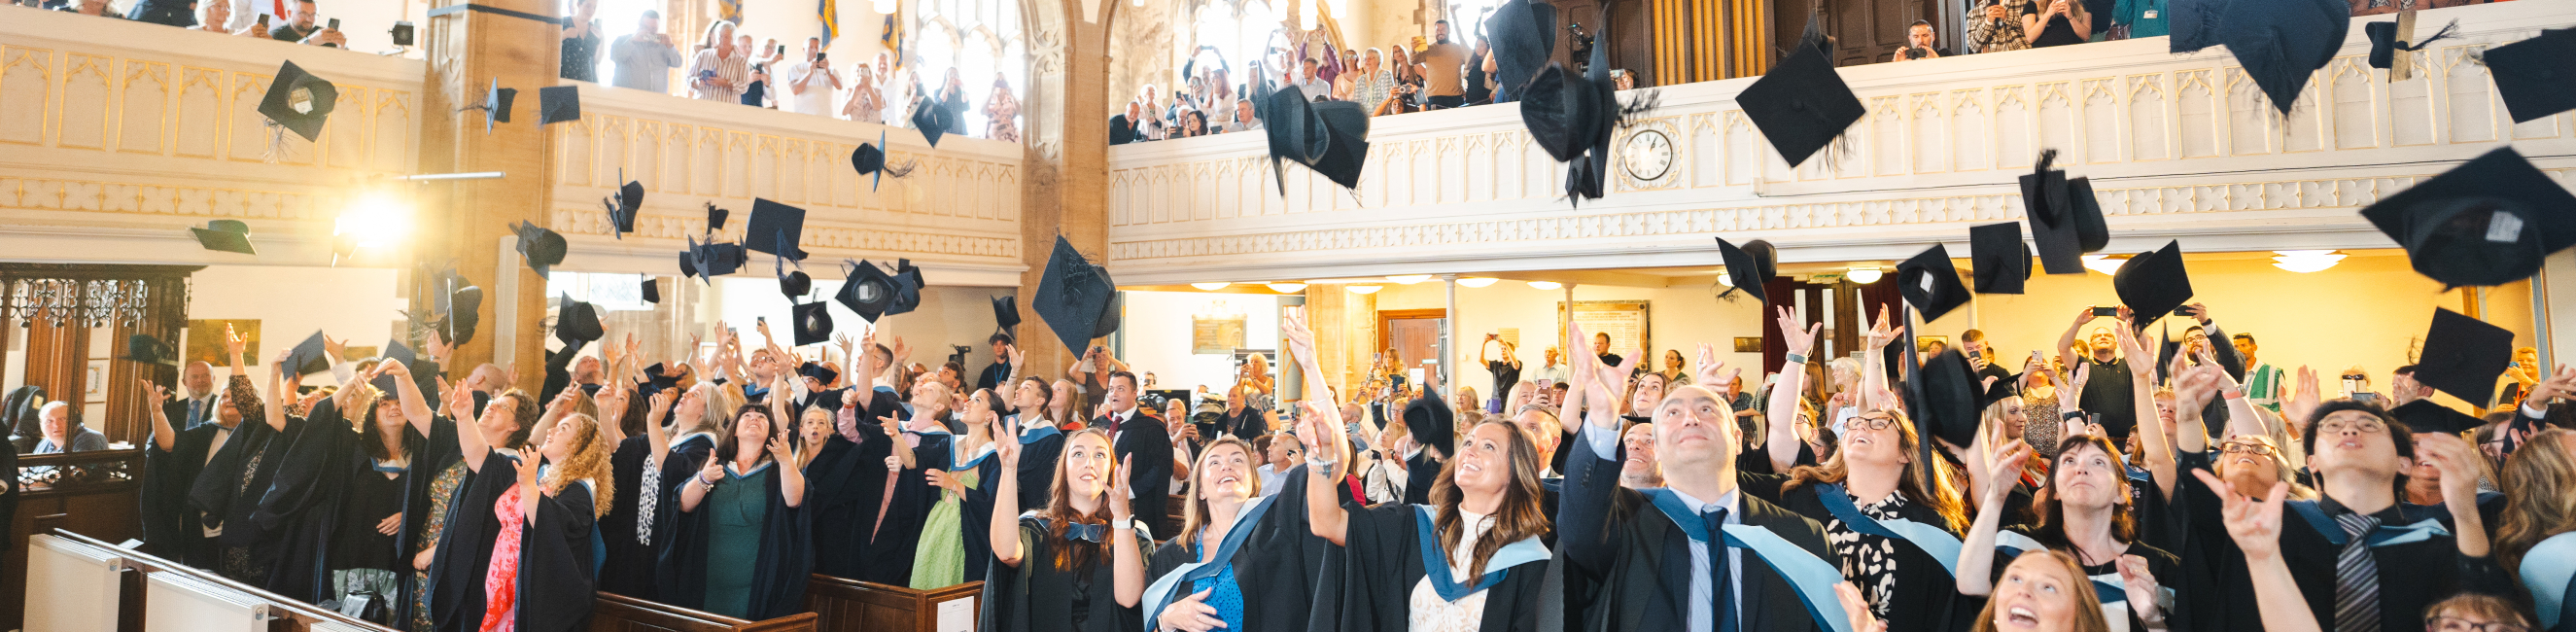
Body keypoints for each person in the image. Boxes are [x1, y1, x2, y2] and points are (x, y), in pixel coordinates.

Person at [1557, 315, 1844, 632]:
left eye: (1707, 410)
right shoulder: (1622, 523)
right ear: (1657, 447)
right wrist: (1601, 417)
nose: (1690, 419)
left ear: (1737, 439)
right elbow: (1579, 529)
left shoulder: (1802, 539)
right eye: (1673, 413)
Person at [1748, 307, 1976, 631]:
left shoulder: (1929, 528)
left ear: (1906, 453)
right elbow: (1780, 427)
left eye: (1878, 424)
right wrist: (1797, 356)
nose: (1861, 426)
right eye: (1854, 423)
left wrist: (1874, 354)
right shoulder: (1805, 496)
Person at [1142, 430, 1328, 632]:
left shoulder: (1281, 533)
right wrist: (1166, 621)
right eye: (1214, 462)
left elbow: (1324, 517)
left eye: (1237, 460)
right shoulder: (1171, 554)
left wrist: (1322, 453)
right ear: (1201, 490)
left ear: (1253, 482)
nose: (1226, 466)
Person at [981, 427, 1149, 632]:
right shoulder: (1038, 529)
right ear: (1064, 468)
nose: (1089, 463)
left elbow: (1129, 599)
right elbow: (1006, 553)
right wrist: (1008, 469)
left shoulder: (1130, 534)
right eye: (1078, 454)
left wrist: (1122, 518)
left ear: (1111, 469)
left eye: (1099, 455)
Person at [658, 400, 812, 620]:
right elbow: (682, 505)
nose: (754, 418)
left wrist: (787, 461)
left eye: (762, 417)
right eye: (746, 416)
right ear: (735, 430)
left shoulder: (778, 470)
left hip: (757, 581)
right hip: (708, 576)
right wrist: (703, 479)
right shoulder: (715, 466)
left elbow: (795, 501)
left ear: (770, 431)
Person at [913, 388, 1005, 588]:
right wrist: (895, 435)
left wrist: (952, 484)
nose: (967, 403)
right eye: (969, 398)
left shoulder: (995, 457)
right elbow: (915, 460)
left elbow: (991, 505)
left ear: (990, 415)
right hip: (937, 522)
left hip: (963, 532)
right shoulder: (953, 443)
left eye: (977, 400)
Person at [1097, 370, 1176, 537]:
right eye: (1111, 389)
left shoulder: (1152, 428)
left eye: (1120, 389)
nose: (1114, 394)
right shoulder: (1099, 425)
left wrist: (1128, 492)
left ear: (1134, 394)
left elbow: (1161, 468)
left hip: (1137, 507)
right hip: (1098, 506)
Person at [2059, 307, 2140, 442]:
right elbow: (2063, 347)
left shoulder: (2129, 364)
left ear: (2116, 344)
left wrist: (2132, 323)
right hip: (2092, 441)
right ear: (2090, 345)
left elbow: (2144, 349)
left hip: (2129, 442)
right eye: (2097, 336)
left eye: (2108, 335)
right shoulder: (2083, 366)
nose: (2102, 337)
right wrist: (2078, 323)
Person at [1010, 376, 1069, 509]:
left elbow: (1039, 481)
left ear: (1039, 400)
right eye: (1020, 387)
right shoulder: (1006, 425)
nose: (1017, 391)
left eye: (1026, 388)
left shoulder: (1051, 438)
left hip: (1025, 508)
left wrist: (1002, 476)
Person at [609, 10, 684, 94]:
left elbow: (677, 63)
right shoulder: (622, 40)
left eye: (653, 29)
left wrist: (670, 45)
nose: (648, 31)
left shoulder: (663, 45)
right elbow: (615, 57)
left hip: (657, 99)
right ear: (639, 24)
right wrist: (632, 41)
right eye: (645, 27)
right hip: (628, 97)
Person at [684, 20, 748, 103]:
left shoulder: (741, 61)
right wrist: (697, 82)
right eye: (720, 36)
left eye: (726, 37)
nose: (723, 40)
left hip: (727, 107)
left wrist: (726, 83)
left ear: (734, 39)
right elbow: (689, 78)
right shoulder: (703, 55)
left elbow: (744, 87)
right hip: (703, 105)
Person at [783, 37, 840, 117]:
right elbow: (796, 90)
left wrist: (828, 71)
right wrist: (809, 73)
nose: (814, 50)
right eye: (811, 47)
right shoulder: (795, 68)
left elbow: (839, 86)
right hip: (804, 115)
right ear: (804, 49)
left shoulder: (830, 70)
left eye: (817, 47)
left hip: (826, 116)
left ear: (821, 50)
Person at [1418, 20, 1468, 109]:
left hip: (1456, 96)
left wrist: (1469, 89)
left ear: (1449, 30)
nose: (1440, 32)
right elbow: (1412, 61)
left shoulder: (1458, 48)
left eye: (1443, 29)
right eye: (1437, 30)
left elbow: (1471, 63)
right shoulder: (1428, 49)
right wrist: (1413, 49)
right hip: (1435, 97)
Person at [31, 402, 107, 453]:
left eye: (63, 419)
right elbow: (31, 468)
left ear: (75, 420)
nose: (56, 425)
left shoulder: (90, 438)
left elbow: (75, 470)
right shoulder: (45, 442)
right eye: (49, 421)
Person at [1967, 0, 2034, 53]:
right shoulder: (1974, 12)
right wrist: (1988, 22)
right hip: (1995, 60)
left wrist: (2007, 17)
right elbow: (1974, 47)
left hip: (2024, 54)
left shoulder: (2025, 2)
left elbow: (2033, 32)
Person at [559, 0, 602, 82]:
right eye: (588, 6)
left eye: (594, 7)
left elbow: (597, 60)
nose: (591, 10)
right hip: (563, 77)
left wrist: (602, 40)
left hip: (586, 80)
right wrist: (564, 34)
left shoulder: (594, 31)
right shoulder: (564, 22)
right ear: (578, 4)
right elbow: (549, 46)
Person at [2022, 0, 2092, 48]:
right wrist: (2047, 14)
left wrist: (2071, 17)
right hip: (2044, 54)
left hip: (2074, 52)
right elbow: (2030, 37)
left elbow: (2086, 36)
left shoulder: (2081, 4)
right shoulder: (2032, 5)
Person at [986, 75, 1022, 143]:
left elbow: (1020, 112)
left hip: (1010, 136)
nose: (1000, 84)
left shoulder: (1012, 99)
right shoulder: (989, 100)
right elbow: (982, 111)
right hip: (992, 137)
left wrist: (1012, 95)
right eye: (998, 81)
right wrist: (991, 93)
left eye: (1003, 81)